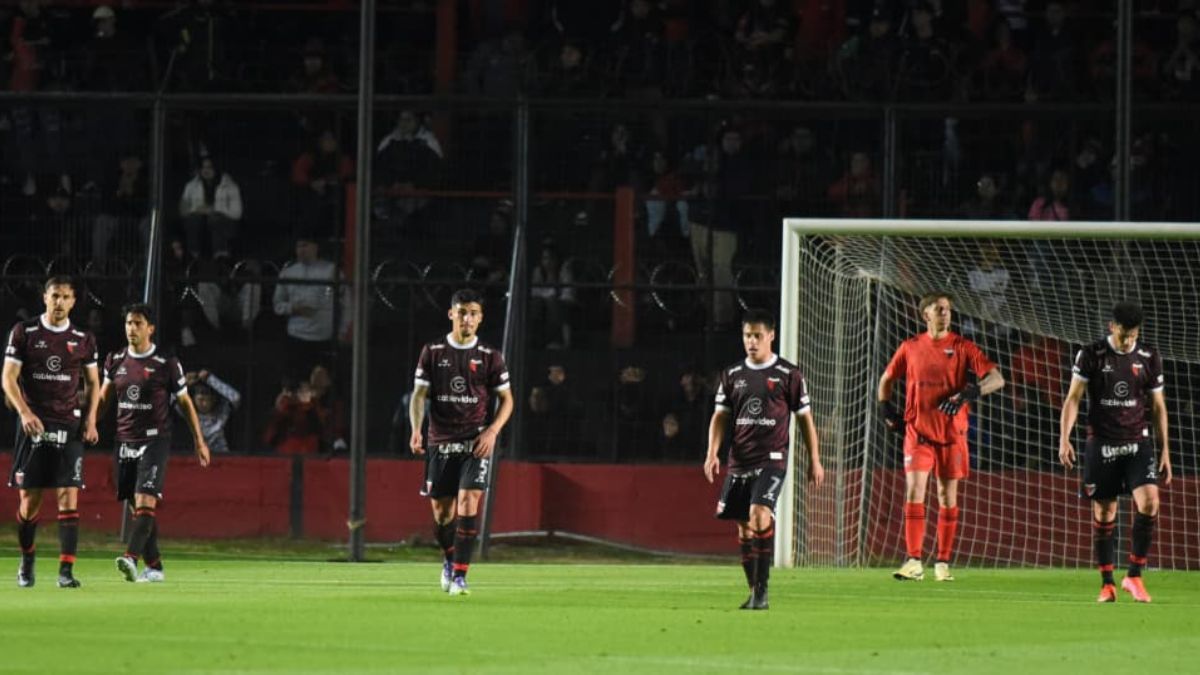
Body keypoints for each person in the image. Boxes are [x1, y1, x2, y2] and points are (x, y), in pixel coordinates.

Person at [878, 292, 1004, 582]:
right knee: (914, 491)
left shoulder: (963, 346)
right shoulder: (910, 347)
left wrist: (972, 391)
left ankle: (943, 562)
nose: (945, 314)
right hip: (918, 432)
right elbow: (886, 379)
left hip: (951, 434)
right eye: (939, 309)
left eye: (947, 309)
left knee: (946, 496)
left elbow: (998, 379)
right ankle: (913, 560)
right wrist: (886, 408)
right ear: (926, 315)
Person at [703, 309, 824, 610]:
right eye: (747, 336)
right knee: (744, 526)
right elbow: (720, 417)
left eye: (758, 336)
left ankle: (762, 591)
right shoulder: (731, 375)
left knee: (759, 514)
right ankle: (754, 591)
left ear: (771, 336)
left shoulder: (789, 374)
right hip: (740, 460)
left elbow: (805, 419)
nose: (752, 341)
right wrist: (712, 453)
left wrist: (815, 459)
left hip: (773, 458)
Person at [1059, 301, 1171, 603]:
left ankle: (1134, 576)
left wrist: (1165, 451)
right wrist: (1064, 438)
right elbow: (1073, 398)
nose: (1128, 341)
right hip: (1102, 442)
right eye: (1124, 335)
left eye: (1133, 335)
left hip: (1138, 442)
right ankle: (1107, 583)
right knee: (1105, 511)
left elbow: (1159, 406)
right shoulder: (1091, 354)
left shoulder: (1149, 356)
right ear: (1112, 327)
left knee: (1149, 502)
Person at [409, 289, 514, 596]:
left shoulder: (490, 357)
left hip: (475, 442)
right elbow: (418, 395)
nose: (467, 318)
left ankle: (460, 576)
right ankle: (449, 558)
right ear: (451, 313)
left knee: (469, 503)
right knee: (443, 516)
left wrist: (492, 431)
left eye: (473, 313)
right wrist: (416, 429)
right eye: (462, 311)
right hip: (440, 441)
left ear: (480, 318)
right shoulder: (433, 351)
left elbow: (507, 400)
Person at [100, 303, 210, 583]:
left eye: (138, 323)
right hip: (124, 440)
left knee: (146, 499)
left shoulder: (166, 363)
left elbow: (185, 403)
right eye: (128, 323)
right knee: (137, 507)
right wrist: (88, 424)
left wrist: (199, 440)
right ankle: (155, 565)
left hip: (155, 440)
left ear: (151, 328)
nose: (131, 329)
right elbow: (103, 399)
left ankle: (130, 558)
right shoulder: (115, 360)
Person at [2, 276, 100, 588]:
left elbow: (94, 383)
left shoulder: (83, 338)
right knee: (29, 502)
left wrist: (92, 419)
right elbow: (8, 378)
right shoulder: (25, 332)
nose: (59, 302)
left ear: (74, 301)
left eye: (66, 297)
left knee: (68, 497)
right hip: (33, 425)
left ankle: (65, 572)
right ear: (45, 297)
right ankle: (27, 560)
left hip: (68, 425)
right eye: (55, 295)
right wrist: (25, 412)